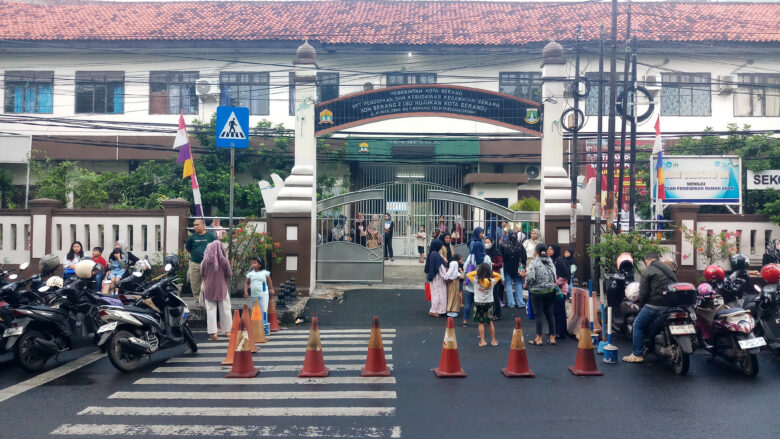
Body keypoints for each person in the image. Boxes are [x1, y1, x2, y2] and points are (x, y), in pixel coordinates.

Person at [622, 252, 677, 363]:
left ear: (647, 261)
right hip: (671, 304)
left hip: (655, 305)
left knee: (637, 324)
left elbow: (643, 293)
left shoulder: (648, 271)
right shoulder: (668, 268)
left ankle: (637, 354)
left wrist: (641, 304)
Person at [525, 243, 557, 346]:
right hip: (550, 291)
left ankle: (539, 338)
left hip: (537, 292)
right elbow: (554, 276)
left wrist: (528, 285)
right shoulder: (550, 262)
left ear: (536, 252)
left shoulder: (534, 263)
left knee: (539, 315)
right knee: (550, 314)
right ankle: (552, 337)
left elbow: (530, 277)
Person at [200, 241, 233, 341]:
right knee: (225, 309)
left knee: (210, 310)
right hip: (222, 288)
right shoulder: (224, 261)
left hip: (209, 288)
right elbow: (229, 274)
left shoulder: (205, 261)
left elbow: (202, 273)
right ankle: (227, 331)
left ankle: (213, 333)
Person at [466, 263, 501, 347]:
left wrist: (477, 272)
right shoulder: (492, 281)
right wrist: (491, 273)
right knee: (490, 322)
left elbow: (468, 274)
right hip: (489, 302)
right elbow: (499, 276)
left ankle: (482, 341)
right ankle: (493, 340)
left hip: (479, 302)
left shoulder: (476, 280)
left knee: (480, 323)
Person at [185, 218, 217, 306]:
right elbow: (188, 249)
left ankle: (206, 299)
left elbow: (216, 247)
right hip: (194, 262)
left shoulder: (210, 236)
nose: (195, 227)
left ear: (203, 226)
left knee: (206, 282)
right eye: (194, 225)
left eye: (197, 225)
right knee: (195, 283)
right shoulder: (192, 237)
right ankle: (198, 300)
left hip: (208, 263)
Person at [463, 228, 490, 327]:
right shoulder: (486, 258)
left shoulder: (470, 257)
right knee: (481, 302)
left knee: (468, 302)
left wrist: (468, 274)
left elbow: (465, 267)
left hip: (471, 283)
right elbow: (489, 269)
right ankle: (481, 320)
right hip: (482, 283)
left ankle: (465, 321)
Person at [244, 256, 275, 336]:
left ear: (259, 265)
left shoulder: (265, 273)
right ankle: (254, 326)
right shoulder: (250, 274)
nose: (252, 264)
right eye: (252, 263)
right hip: (254, 296)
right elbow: (247, 283)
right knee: (254, 310)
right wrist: (245, 291)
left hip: (262, 295)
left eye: (254, 263)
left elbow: (269, 281)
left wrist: (271, 289)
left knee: (262, 310)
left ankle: (262, 327)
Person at [549, 244, 570, 339]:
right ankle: (554, 330)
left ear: (555, 251)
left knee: (559, 311)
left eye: (551, 249)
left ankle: (560, 332)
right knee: (554, 311)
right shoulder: (552, 260)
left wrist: (555, 284)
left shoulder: (560, 261)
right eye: (548, 249)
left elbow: (565, 275)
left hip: (560, 290)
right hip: (554, 289)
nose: (549, 251)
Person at [501, 231, 527, 309]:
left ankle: (511, 303)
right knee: (518, 284)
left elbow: (502, 257)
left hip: (507, 267)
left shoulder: (504, 245)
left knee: (508, 285)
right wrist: (523, 266)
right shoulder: (520, 245)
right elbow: (524, 257)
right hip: (518, 268)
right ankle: (520, 303)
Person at [424, 239, 448, 317]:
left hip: (433, 276)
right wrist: (445, 276)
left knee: (435, 293)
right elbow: (440, 267)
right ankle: (434, 310)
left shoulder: (431, 253)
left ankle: (438, 310)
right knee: (439, 294)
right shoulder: (437, 255)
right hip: (438, 277)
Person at [485, 237, 504, 320]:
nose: (486, 244)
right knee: (488, 295)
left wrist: (491, 264)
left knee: (495, 295)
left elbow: (500, 264)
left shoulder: (496, 253)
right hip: (486, 276)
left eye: (488, 242)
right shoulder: (484, 252)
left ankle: (497, 313)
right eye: (485, 242)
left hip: (495, 276)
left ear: (492, 243)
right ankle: (489, 312)